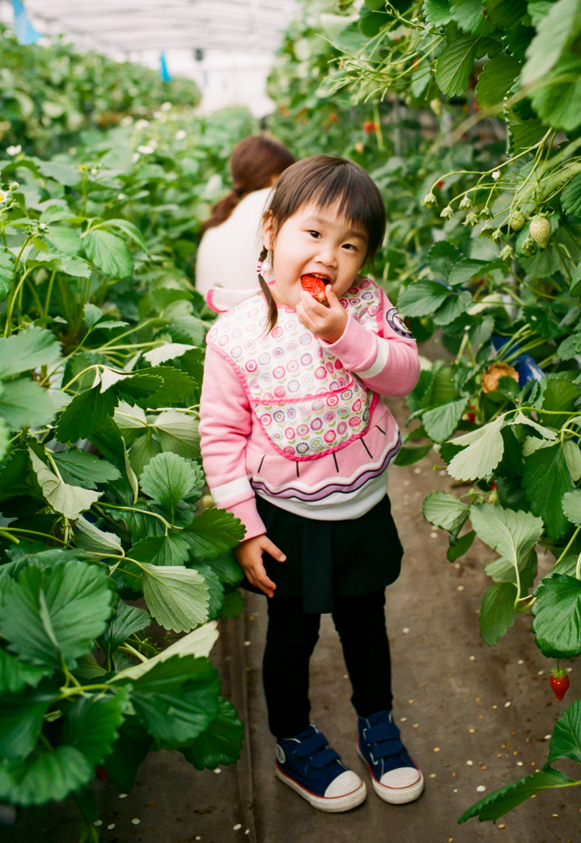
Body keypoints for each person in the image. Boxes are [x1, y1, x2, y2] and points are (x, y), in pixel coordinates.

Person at [199, 155, 424, 813]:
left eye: (350, 244)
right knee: (292, 634)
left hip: (362, 507)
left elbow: (403, 374)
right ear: (270, 230)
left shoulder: (367, 307)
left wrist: (345, 336)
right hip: (285, 516)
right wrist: (244, 527)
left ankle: (376, 722)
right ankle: (292, 739)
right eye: (314, 233)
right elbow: (221, 437)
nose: (330, 253)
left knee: (364, 623)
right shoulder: (236, 334)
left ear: (365, 259)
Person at [195, 134, 295, 304]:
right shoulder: (275, 199)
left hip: (217, 326)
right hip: (261, 322)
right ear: (276, 176)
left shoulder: (217, 225)